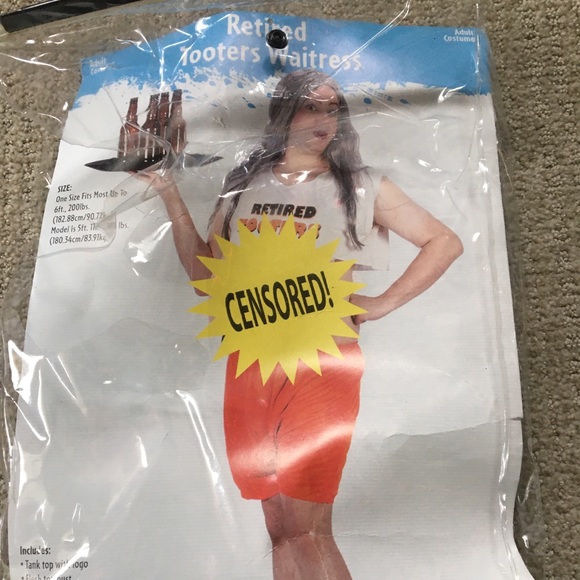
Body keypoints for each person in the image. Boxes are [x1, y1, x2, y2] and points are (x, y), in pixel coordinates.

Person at [139, 69, 463, 579]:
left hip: (323, 363)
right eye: (312, 106)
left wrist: (381, 303)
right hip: (249, 361)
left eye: (333, 108)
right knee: (278, 528)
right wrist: (167, 189)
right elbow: (206, 280)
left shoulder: (361, 185)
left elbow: (443, 241)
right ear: (284, 113)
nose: (324, 118)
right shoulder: (243, 184)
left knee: (307, 528)